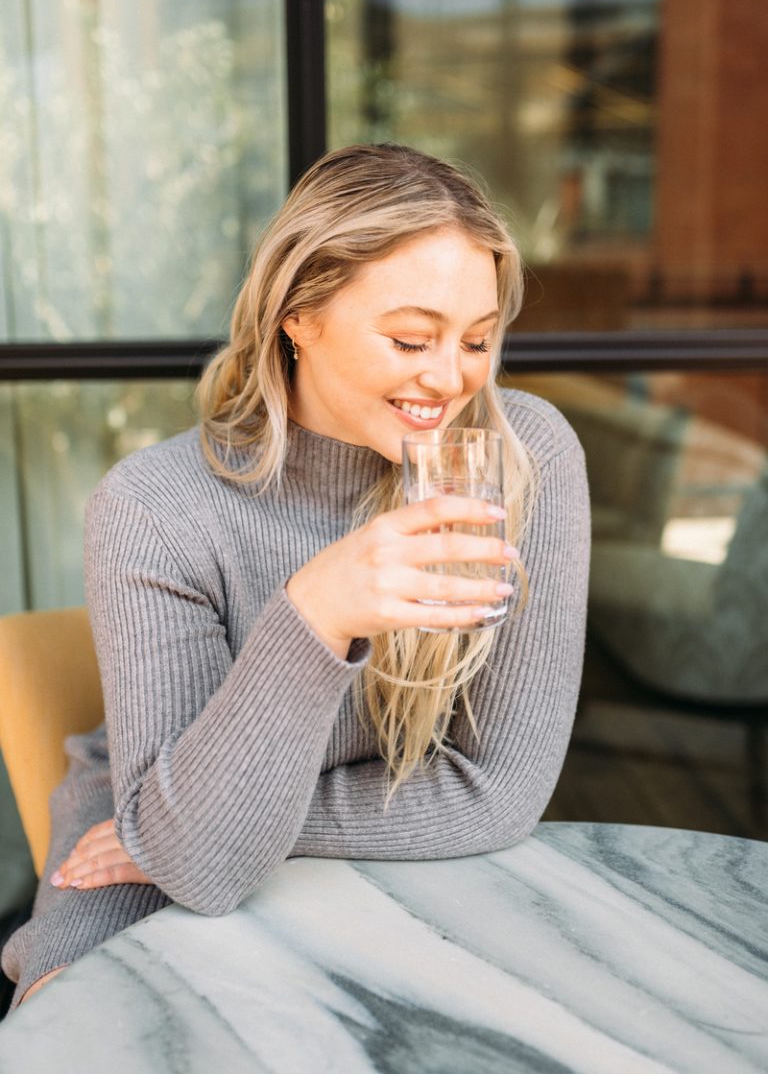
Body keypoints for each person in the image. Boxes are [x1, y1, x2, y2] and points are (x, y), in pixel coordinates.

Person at [2, 143, 590, 1008]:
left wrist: (209, 826)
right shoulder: (158, 507)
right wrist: (318, 609)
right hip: (141, 850)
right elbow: (195, 864)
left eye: (476, 340)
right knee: (73, 1019)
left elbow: (497, 794)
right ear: (298, 315)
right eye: (411, 338)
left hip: (288, 842)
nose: (449, 377)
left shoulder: (520, 461)